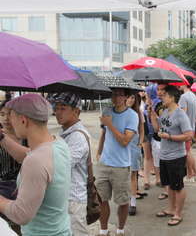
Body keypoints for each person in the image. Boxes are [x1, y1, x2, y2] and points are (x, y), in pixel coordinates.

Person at [0, 94, 72, 235]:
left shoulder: (36, 161)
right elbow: (28, 155)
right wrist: (2, 137)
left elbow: (21, 215)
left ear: (23, 120)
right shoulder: (58, 143)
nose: (9, 122)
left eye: (11, 117)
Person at [95, 88, 139, 236]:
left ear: (127, 97)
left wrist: (110, 125)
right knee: (101, 199)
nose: (116, 97)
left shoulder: (132, 116)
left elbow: (125, 141)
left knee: (122, 201)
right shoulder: (107, 110)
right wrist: (99, 151)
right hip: (104, 163)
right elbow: (104, 133)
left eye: (120, 94)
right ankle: (103, 230)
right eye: (114, 94)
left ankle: (120, 229)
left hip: (121, 165)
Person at [150, 85, 193, 226]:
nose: (161, 97)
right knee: (168, 185)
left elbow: (189, 135)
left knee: (178, 186)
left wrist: (170, 137)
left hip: (176, 156)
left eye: (164, 95)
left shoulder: (180, 114)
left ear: (172, 97)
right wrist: (152, 116)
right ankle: (170, 209)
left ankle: (178, 213)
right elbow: (158, 130)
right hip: (164, 155)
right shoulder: (165, 112)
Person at [52, 92, 91, 236]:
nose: (57, 112)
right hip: (65, 198)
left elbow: (61, 166)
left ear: (76, 111)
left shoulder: (77, 137)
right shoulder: (64, 133)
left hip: (73, 200)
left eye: (63, 108)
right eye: (56, 108)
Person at [0, 100, 22, 235]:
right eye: (2, 114)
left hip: (23, 191)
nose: (6, 119)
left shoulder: (25, 137)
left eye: (10, 114)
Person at [126, 93, 145, 216]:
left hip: (134, 145)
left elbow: (142, 129)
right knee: (122, 175)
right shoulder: (118, 112)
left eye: (133, 97)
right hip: (122, 146)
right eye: (129, 97)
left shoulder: (138, 113)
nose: (130, 99)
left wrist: (140, 143)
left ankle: (132, 203)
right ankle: (124, 201)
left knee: (133, 174)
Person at [179, 82, 196, 180]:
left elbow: (183, 113)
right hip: (192, 126)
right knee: (188, 151)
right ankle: (194, 173)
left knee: (187, 152)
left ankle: (191, 174)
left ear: (185, 84)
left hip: (185, 129)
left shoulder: (183, 97)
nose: (179, 85)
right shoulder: (194, 96)